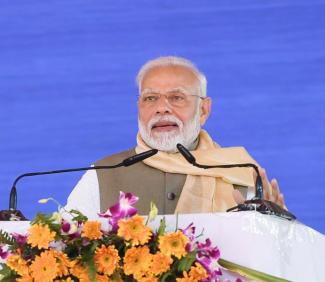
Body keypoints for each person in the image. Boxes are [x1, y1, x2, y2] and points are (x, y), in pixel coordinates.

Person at [66, 56, 285, 218]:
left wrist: (276, 226)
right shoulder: (104, 173)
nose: (162, 108)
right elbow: (67, 247)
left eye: (177, 97)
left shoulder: (240, 172)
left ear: (204, 110)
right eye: (150, 98)